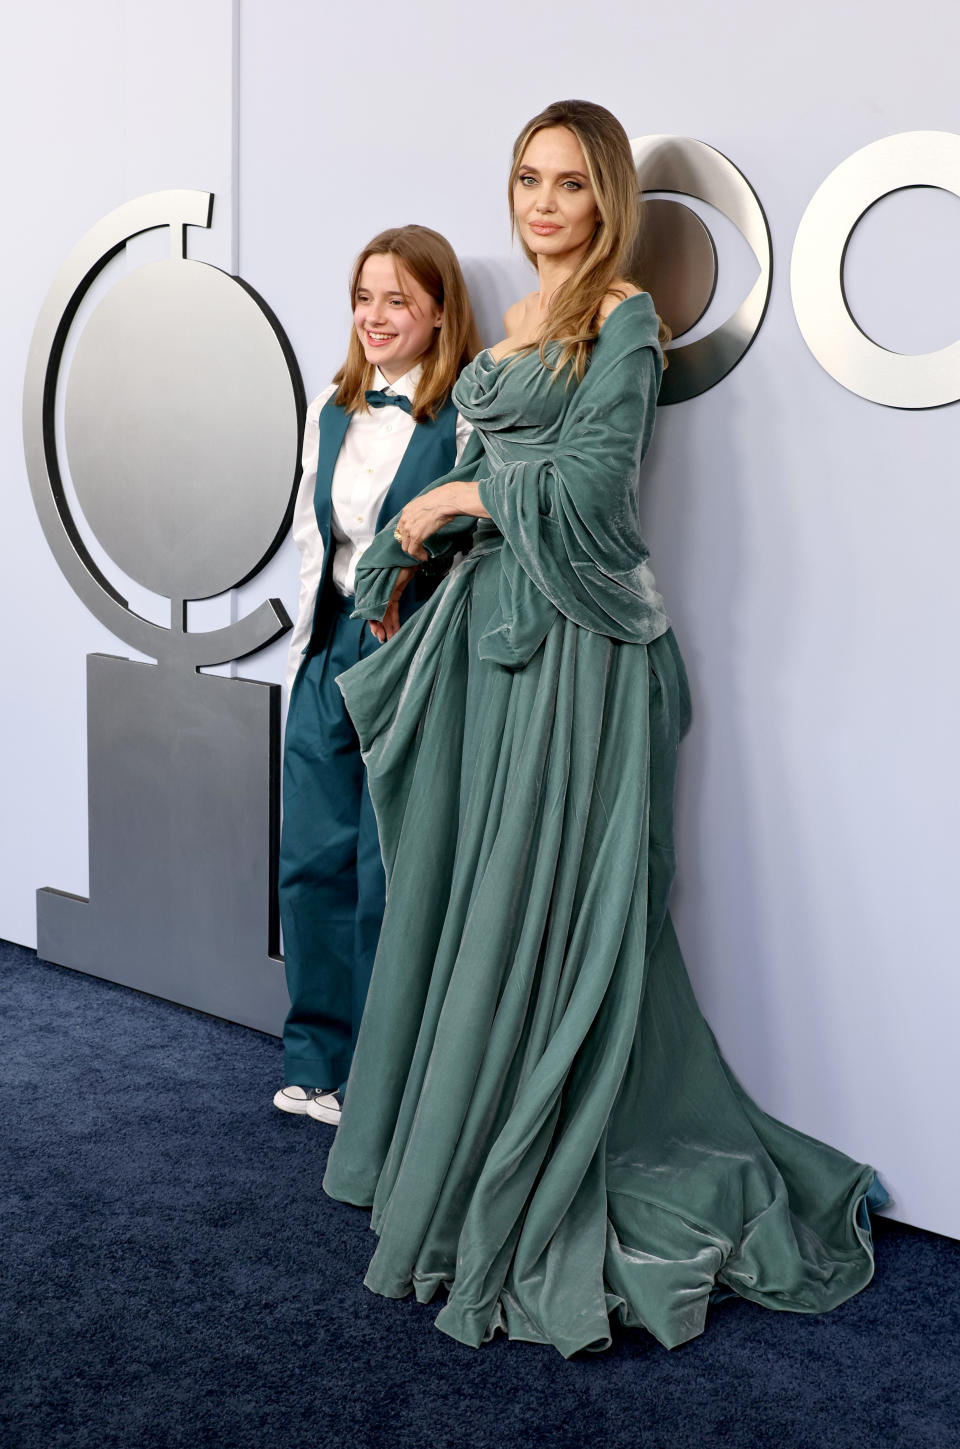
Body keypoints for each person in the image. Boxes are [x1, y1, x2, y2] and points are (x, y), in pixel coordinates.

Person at [322, 102, 886, 1354]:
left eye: (569, 185)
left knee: (549, 909)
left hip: (581, 654)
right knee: (477, 900)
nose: (542, 205)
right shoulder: (517, 321)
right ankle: (461, 1141)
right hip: (494, 642)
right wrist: (428, 544)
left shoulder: (622, 314)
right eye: (527, 178)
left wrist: (467, 492)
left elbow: (593, 495)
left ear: (607, 199)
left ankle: (548, 1158)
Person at [275, 226, 479, 1125]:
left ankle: (379, 1074)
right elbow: (314, 533)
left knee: (386, 870)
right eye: (364, 297)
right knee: (310, 857)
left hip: (411, 654)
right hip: (330, 646)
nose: (375, 316)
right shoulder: (332, 403)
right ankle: (313, 1060)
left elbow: (485, 535)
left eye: (397, 299)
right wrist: (316, 642)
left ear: (439, 313)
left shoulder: (469, 411)